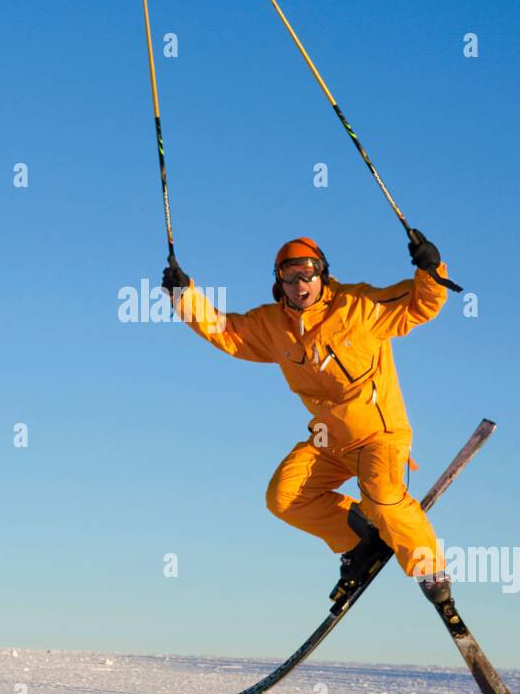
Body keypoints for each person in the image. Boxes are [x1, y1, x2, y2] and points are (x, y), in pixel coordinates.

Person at [162, 234, 454, 600]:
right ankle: (358, 538)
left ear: (323, 275)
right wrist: (183, 296)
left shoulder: (359, 305)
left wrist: (430, 268)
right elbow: (227, 331)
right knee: (283, 498)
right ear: (278, 282)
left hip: (380, 435)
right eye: (290, 276)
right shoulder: (272, 325)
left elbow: (420, 304)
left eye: (308, 274)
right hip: (329, 440)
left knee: (382, 496)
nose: (300, 284)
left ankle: (432, 572)